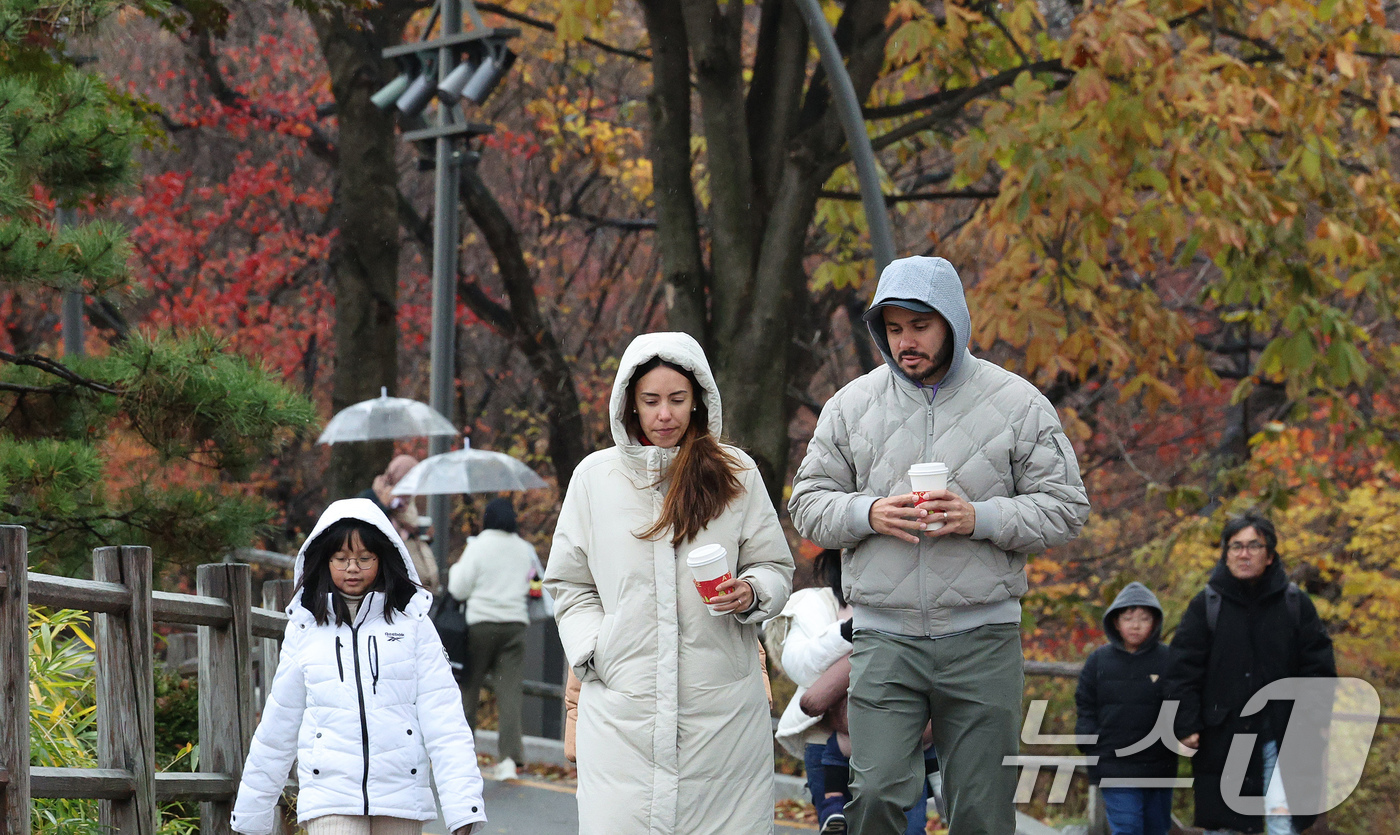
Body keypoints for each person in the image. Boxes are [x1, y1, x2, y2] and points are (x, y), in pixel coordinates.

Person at [789, 255, 1091, 835]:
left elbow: (1066, 509)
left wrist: (978, 516)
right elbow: (807, 505)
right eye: (894, 328)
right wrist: (868, 512)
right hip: (883, 635)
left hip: (983, 636)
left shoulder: (1018, 403)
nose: (906, 342)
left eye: (920, 327)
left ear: (952, 321)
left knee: (981, 812)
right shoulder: (851, 406)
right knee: (875, 796)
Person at [544, 331, 795, 835]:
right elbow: (569, 583)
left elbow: (775, 566)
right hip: (622, 711)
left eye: (678, 400)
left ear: (698, 401)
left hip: (722, 713)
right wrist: (596, 649)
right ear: (629, 406)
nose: (665, 415)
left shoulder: (735, 472)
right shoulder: (595, 478)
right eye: (651, 401)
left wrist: (750, 592)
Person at [231, 498, 485, 835]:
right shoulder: (305, 629)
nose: (353, 568)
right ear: (325, 560)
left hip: (401, 796)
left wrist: (463, 807)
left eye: (365, 558)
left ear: (383, 559)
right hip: (329, 797)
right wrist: (251, 814)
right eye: (341, 559)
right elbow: (278, 726)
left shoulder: (413, 624)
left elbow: (446, 720)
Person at [1165, 514, 1335, 835]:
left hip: (1284, 735)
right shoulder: (1206, 605)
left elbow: (1320, 671)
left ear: (1269, 555)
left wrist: (1314, 724)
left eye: (1253, 546)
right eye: (1236, 546)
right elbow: (1181, 671)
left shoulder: (1294, 603)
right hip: (1223, 735)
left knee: (1281, 821)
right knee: (1226, 826)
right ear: (1226, 554)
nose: (1244, 554)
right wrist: (1186, 723)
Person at [775, 549, 936, 835]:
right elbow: (799, 667)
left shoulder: (921, 601)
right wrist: (851, 632)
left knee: (908, 830)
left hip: (904, 741)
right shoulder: (814, 602)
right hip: (828, 740)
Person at [1074, 582, 1178, 835]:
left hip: (1158, 763)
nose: (1135, 625)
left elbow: (1182, 702)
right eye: (1128, 618)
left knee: (1156, 828)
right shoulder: (1099, 660)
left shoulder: (1168, 659)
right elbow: (1085, 703)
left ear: (1155, 622)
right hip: (1113, 761)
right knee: (1127, 828)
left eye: (1144, 618)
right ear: (1116, 622)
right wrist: (1089, 740)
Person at [447, 497, 535, 781]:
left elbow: (459, 589)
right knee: (509, 694)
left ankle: (463, 757)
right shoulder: (525, 550)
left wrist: (453, 572)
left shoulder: (478, 546)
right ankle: (509, 760)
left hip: (480, 625)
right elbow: (536, 584)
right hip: (514, 625)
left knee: (469, 691)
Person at [361, 454, 439, 590]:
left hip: (414, 574)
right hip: (387, 576)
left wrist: (424, 534)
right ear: (399, 477)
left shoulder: (406, 502)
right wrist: (384, 506)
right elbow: (365, 530)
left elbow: (407, 536)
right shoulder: (371, 497)